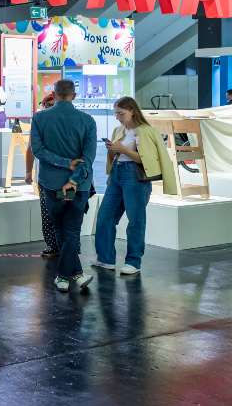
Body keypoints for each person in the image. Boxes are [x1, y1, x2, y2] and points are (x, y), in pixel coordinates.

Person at [93, 97, 178, 275]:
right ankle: (105, 258)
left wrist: (123, 150)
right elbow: (116, 156)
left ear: (132, 111)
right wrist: (113, 150)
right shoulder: (118, 130)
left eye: (121, 113)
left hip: (135, 177)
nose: (117, 117)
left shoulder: (147, 131)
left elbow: (148, 161)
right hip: (117, 175)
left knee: (136, 221)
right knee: (104, 218)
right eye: (116, 113)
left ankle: (133, 261)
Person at [30, 79, 96, 293]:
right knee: (71, 230)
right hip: (80, 185)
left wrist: (62, 163)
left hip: (51, 183)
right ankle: (71, 274)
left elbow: (37, 151)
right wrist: (74, 178)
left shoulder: (39, 118)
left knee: (60, 227)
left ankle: (67, 275)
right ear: (73, 95)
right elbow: (88, 158)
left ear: (54, 94)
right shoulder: (88, 121)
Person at [25, 92, 58, 258]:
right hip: (47, 178)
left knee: (58, 212)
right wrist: (28, 172)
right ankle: (55, 245)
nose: (49, 109)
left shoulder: (41, 122)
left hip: (58, 178)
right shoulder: (39, 123)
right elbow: (30, 149)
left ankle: (60, 245)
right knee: (48, 212)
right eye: (47, 106)